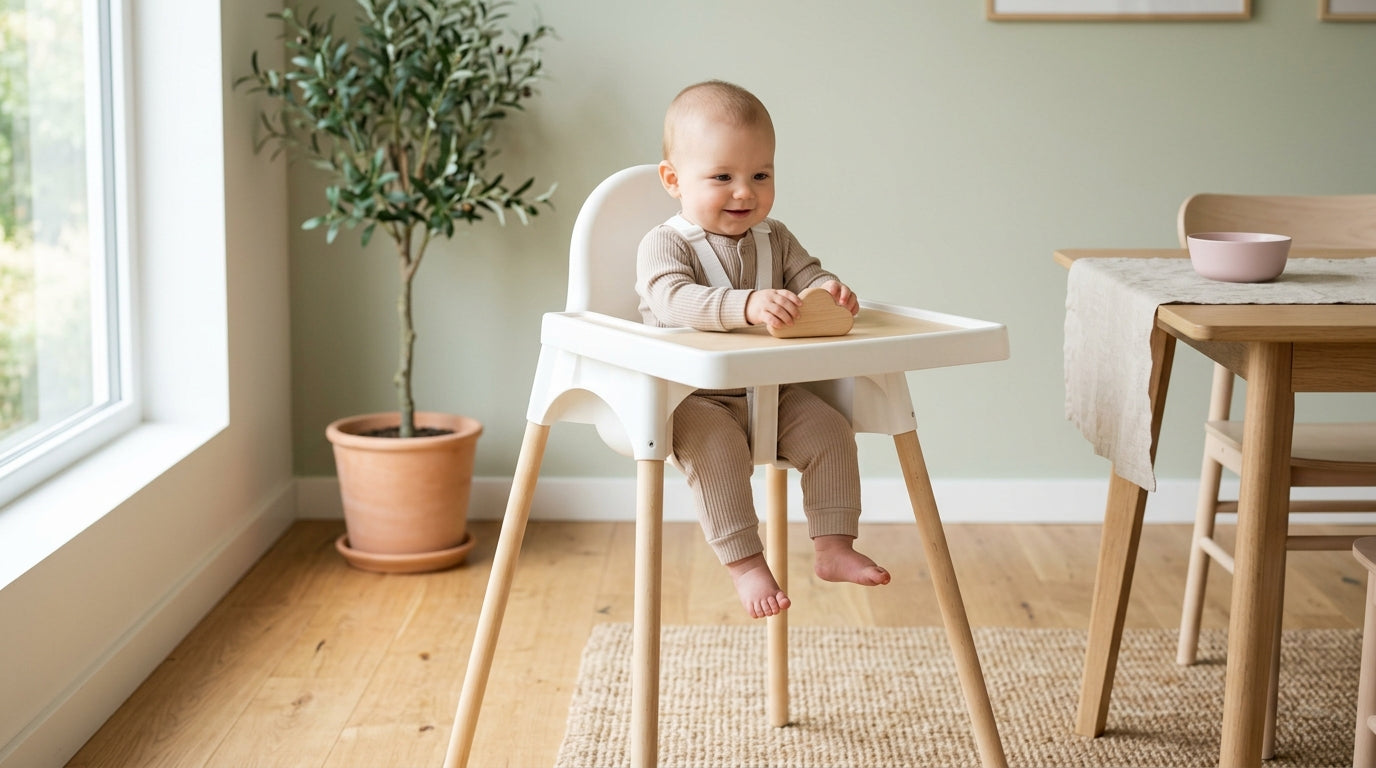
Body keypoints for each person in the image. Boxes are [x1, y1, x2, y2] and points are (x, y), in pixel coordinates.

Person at [636, 80, 890, 619]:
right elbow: (672, 300)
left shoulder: (775, 237)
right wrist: (744, 305)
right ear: (673, 180)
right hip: (695, 398)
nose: (744, 192)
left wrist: (828, 291)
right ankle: (746, 564)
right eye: (722, 177)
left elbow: (809, 275)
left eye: (760, 175)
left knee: (830, 431)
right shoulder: (667, 243)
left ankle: (834, 546)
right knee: (719, 455)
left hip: (775, 391)